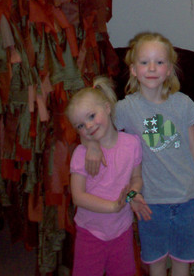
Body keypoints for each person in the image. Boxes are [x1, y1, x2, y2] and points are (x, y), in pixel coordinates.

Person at [86, 32, 194, 276]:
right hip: (150, 202)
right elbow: (96, 129)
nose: (152, 68)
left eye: (159, 62)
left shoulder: (183, 104)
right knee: (154, 262)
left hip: (186, 197)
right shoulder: (125, 109)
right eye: (144, 62)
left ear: (169, 69)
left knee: (181, 262)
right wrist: (92, 145)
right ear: (133, 70)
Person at [66, 76, 152, 276]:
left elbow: (136, 180)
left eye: (91, 116)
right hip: (90, 233)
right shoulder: (81, 154)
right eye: (80, 125)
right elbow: (78, 197)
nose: (88, 126)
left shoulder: (131, 144)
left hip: (122, 232)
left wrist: (131, 196)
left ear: (107, 107)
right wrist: (113, 207)